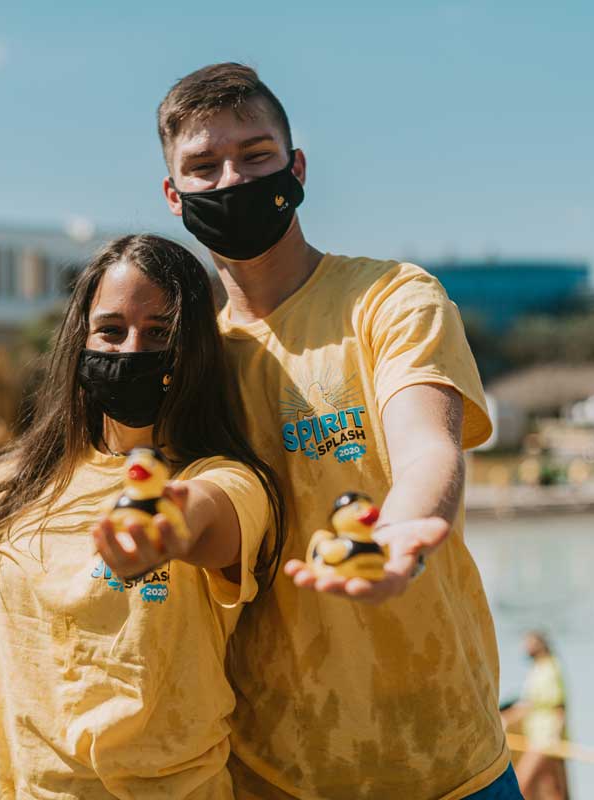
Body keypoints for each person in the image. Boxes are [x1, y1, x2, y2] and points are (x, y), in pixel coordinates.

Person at [156, 63, 521, 799]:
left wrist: (404, 533)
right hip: (269, 774)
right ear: (173, 196)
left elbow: (427, 445)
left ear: (296, 167)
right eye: (203, 166)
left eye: (255, 155)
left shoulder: (390, 297)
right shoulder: (183, 357)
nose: (232, 179)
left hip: (447, 760)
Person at [0, 234, 286, 799]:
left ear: (192, 348)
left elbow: (206, 517)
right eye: (111, 329)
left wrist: (168, 524)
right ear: (80, 339)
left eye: (158, 333)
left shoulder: (224, 479)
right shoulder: (10, 484)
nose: (130, 350)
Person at [501, 632, 570, 800]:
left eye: (529, 643)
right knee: (551, 790)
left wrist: (555, 735)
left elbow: (558, 706)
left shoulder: (550, 668)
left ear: (540, 644)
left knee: (522, 784)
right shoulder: (538, 669)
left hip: (545, 739)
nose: (525, 647)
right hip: (536, 737)